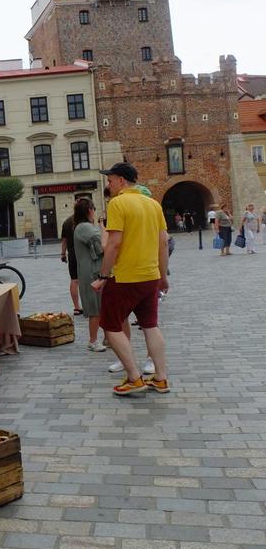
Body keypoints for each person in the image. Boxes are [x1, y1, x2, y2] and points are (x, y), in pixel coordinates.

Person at [91, 162, 170, 396]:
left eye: (110, 180)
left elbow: (113, 243)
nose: (109, 184)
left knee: (111, 325)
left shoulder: (118, 203)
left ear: (122, 181)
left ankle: (134, 378)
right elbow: (163, 242)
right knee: (150, 325)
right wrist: (162, 276)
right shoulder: (153, 204)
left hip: (125, 276)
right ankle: (161, 378)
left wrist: (103, 276)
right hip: (150, 276)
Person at [73, 198, 106, 352]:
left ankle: (108, 338)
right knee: (95, 309)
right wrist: (102, 226)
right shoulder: (84, 227)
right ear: (89, 211)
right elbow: (102, 246)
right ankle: (93, 341)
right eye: (93, 209)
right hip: (91, 273)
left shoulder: (82, 226)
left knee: (102, 307)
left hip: (93, 271)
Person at [61, 206, 83, 316]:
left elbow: (64, 240)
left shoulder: (66, 222)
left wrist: (62, 254)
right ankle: (88, 305)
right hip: (84, 254)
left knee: (74, 280)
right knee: (87, 280)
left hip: (72, 254)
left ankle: (76, 307)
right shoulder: (84, 221)